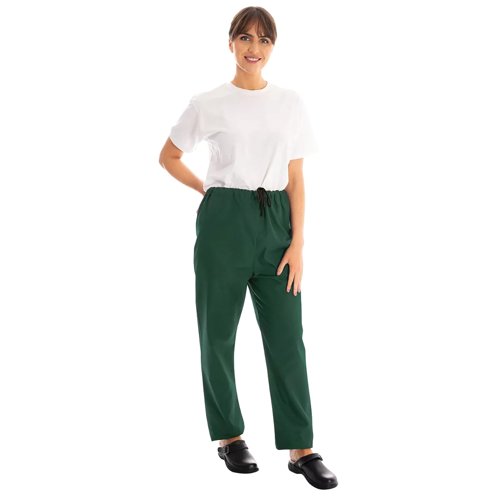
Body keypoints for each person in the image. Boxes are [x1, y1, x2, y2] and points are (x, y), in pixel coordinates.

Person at [159, 6, 338, 490]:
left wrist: (298, 242)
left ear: (272, 47)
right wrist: (207, 191)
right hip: (225, 222)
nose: (253, 48)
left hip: (277, 221)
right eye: (245, 38)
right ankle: (229, 436)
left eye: (263, 40)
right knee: (217, 335)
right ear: (231, 43)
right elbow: (168, 156)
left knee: (288, 339)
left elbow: (296, 176)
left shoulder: (290, 103)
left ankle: (301, 448)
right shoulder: (208, 103)